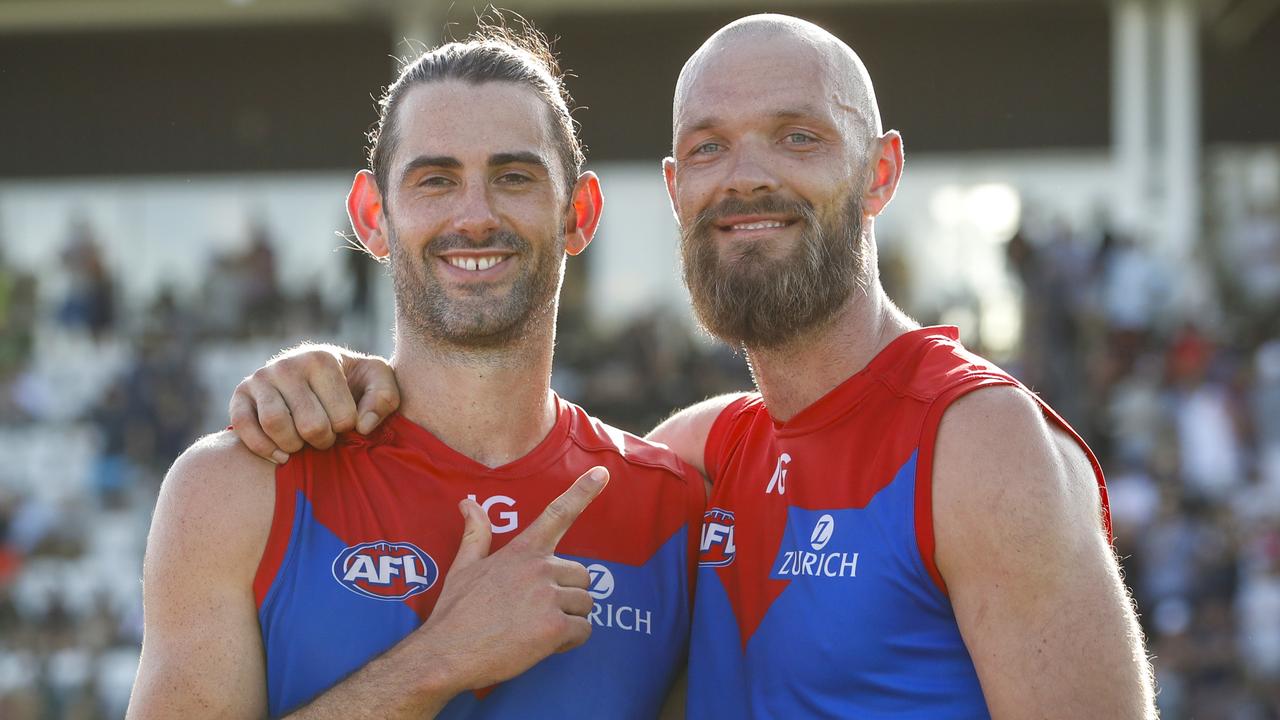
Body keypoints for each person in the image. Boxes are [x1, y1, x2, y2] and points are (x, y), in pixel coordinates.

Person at [231, 14, 1156, 718]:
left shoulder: (981, 444)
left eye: (798, 135)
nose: (745, 175)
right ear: (677, 190)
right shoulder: (699, 460)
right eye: (708, 147)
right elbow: (495, 433)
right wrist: (339, 378)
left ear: (879, 173)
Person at [128, 24, 703, 720]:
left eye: (514, 177)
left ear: (579, 213)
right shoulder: (237, 487)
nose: (475, 215)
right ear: (373, 216)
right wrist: (440, 660)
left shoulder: (675, 513)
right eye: (436, 179)